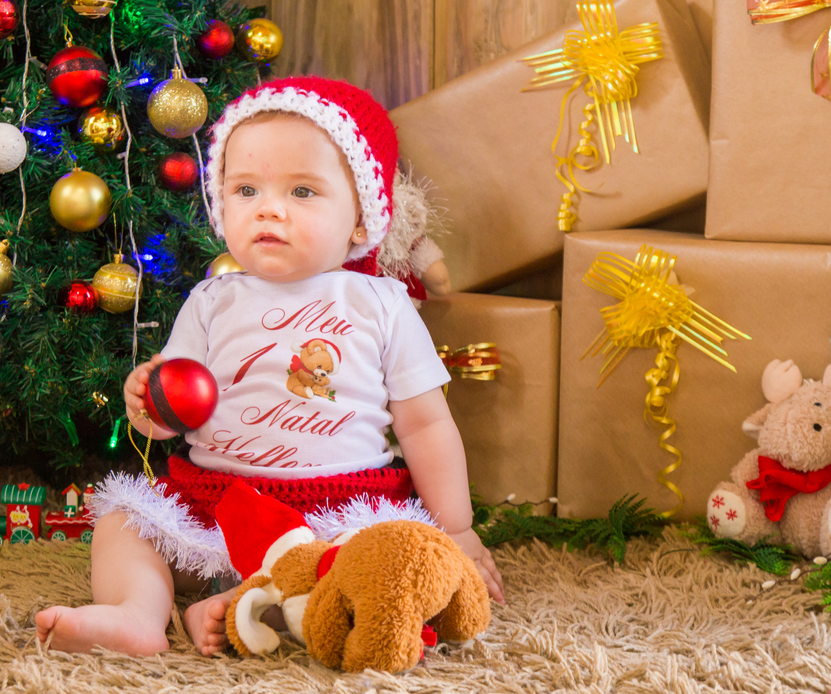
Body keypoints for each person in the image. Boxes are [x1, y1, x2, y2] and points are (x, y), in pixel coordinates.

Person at [36, 76, 504, 657]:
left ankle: (250, 605)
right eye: (246, 190)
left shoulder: (379, 303)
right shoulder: (212, 301)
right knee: (123, 526)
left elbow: (426, 426)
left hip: (340, 512)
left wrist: (455, 528)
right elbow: (172, 413)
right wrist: (148, 405)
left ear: (361, 219)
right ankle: (138, 613)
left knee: (386, 563)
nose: (270, 210)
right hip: (216, 507)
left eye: (302, 192)